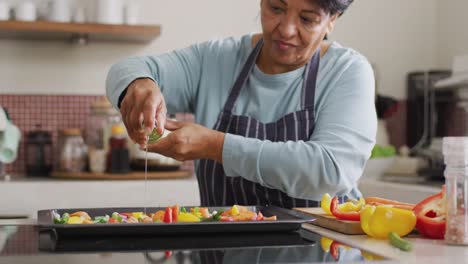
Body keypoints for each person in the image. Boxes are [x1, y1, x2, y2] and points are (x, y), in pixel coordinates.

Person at [106, 0, 377, 208]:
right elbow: (127, 68)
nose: (286, 29)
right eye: (276, 7)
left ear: (332, 20)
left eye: (307, 19)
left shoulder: (347, 71)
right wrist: (140, 84)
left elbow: (330, 171)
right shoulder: (216, 60)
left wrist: (216, 146)